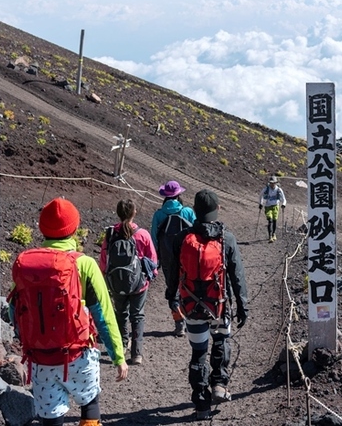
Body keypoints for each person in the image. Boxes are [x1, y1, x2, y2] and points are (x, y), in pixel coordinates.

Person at [8, 198, 128, 426]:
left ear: (42, 228)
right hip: (78, 356)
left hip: (40, 359)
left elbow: (12, 310)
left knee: (50, 417)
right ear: (74, 228)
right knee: (90, 403)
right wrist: (118, 357)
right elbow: (103, 314)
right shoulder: (84, 264)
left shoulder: (27, 265)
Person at [166, 189, 248, 422]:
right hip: (219, 305)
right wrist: (243, 306)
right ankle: (220, 385)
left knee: (198, 353)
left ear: (194, 211)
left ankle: (201, 403)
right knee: (221, 341)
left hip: (191, 306)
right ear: (217, 210)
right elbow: (237, 276)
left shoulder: (181, 239)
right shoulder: (227, 238)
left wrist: (171, 296)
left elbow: (173, 273)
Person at [99, 198, 158, 365]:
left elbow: (104, 258)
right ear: (134, 213)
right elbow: (152, 259)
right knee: (137, 315)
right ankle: (136, 353)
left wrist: (105, 276)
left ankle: (122, 345)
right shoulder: (142, 234)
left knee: (120, 313)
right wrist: (151, 275)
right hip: (139, 282)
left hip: (116, 281)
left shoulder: (111, 233)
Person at [151, 180, 196, 335]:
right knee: (189, 286)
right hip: (188, 257)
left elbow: (154, 238)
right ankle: (193, 318)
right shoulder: (188, 212)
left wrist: (156, 258)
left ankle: (179, 322)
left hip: (167, 258)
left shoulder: (159, 215)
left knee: (173, 289)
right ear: (179, 195)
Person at [258, 175, 287, 242]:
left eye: (273, 183)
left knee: (274, 221)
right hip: (268, 206)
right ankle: (270, 236)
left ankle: (274, 234)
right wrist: (261, 203)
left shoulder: (279, 190)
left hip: (276, 206)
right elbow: (260, 195)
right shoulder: (266, 189)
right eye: (271, 183)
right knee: (270, 220)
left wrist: (283, 204)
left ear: (276, 183)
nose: (272, 184)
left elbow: (284, 199)